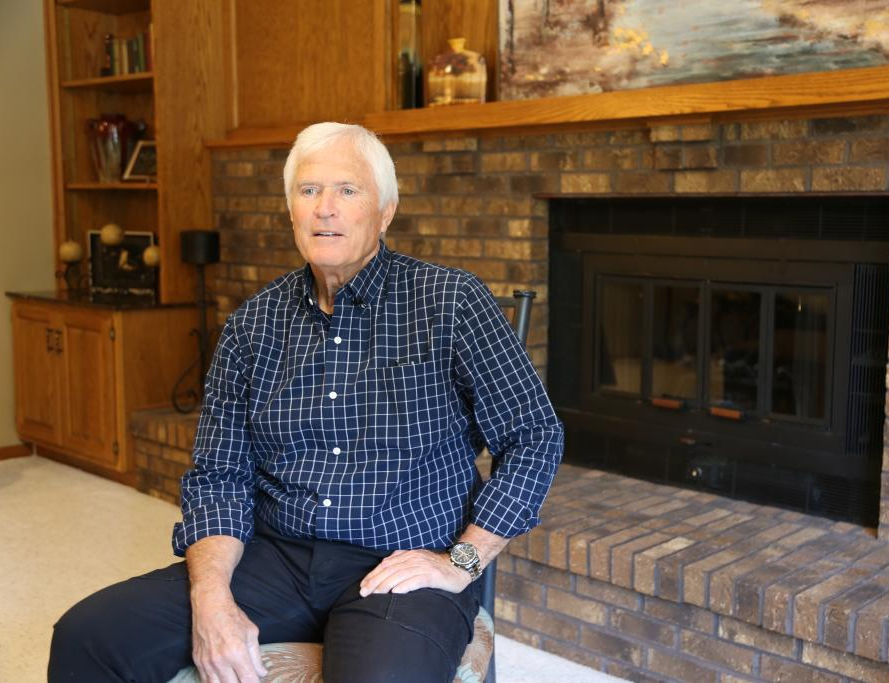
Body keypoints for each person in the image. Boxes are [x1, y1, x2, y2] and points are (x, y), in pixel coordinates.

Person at [48, 122, 564, 683]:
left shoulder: (451, 302)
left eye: (347, 190)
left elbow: (534, 436)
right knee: (86, 637)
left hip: (400, 566)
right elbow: (219, 476)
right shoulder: (252, 325)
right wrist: (212, 598)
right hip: (274, 558)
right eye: (309, 190)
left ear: (385, 212)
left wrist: (461, 561)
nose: (325, 208)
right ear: (291, 210)